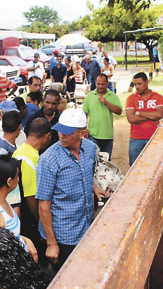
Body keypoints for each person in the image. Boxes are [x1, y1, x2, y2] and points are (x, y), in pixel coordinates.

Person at [36, 109, 109, 270]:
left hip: (87, 226)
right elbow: (43, 204)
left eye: (67, 133)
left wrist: (94, 187)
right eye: (60, 131)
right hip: (64, 235)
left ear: (82, 133)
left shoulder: (90, 148)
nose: (62, 135)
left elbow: (86, 172)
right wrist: (51, 243)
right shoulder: (48, 160)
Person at [13, 117, 52, 266]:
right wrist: (41, 221)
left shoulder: (18, 152)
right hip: (30, 221)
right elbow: (30, 197)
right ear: (47, 136)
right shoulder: (32, 160)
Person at [125, 72, 163, 166]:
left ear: (147, 82)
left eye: (139, 84)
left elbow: (159, 114)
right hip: (136, 139)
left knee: (154, 166)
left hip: (154, 137)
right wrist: (151, 116)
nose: (137, 87)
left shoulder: (157, 97)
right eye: (135, 84)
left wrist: (139, 113)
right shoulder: (131, 98)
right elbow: (131, 118)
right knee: (134, 167)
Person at [82, 74, 122, 157]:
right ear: (95, 83)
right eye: (98, 84)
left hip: (107, 135)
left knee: (106, 160)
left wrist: (106, 103)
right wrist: (84, 129)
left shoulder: (113, 96)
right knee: (92, 158)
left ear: (107, 84)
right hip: (93, 135)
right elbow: (84, 114)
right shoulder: (89, 96)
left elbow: (119, 111)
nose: (100, 86)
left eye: (103, 84)